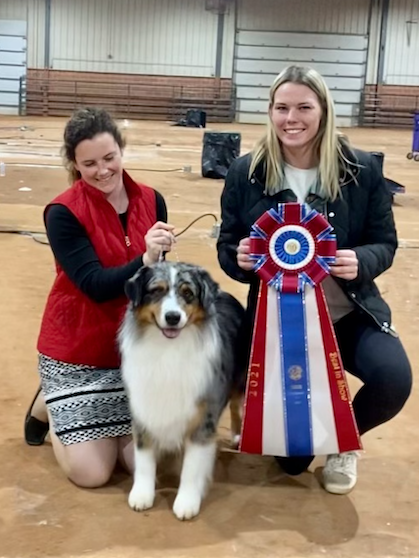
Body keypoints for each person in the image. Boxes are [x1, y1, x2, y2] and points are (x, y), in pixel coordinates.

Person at [217, 65, 412, 495]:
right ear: (270, 111)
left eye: (304, 107)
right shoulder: (246, 172)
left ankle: (344, 442)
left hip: (349, 313)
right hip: (278, 328)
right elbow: (227, 247)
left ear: (323, 110)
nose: (292, 118)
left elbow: (385, 243)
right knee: (291, 464)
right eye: (282, 107)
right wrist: (241, 259)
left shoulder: (361, 169)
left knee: (394, 380)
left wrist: (361, 260)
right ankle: (311, 432)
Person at [24, 107, 175, 488]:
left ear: (121, 150)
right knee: (92, 474)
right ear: (74, 164)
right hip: (78, 350)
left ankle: (77, 410)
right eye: (89, 163)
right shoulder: (62, 213)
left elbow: (157, 279)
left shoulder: (152, 200)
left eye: (109, 158)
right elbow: (94, 284)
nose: (103, 170)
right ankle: (50, 401)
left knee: (146, 466)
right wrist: (144, 260)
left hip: (132, 352)